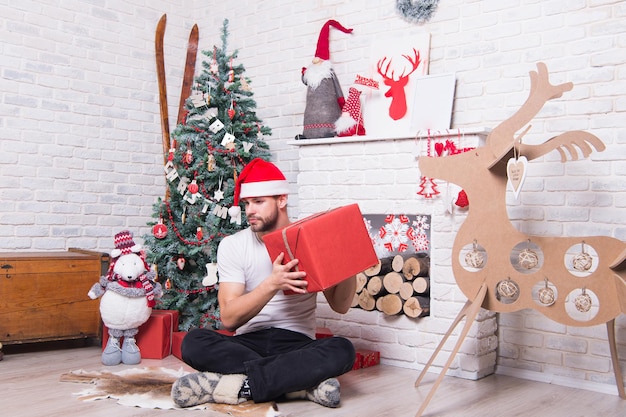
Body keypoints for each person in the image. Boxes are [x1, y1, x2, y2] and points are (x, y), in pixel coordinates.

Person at [171, 158, 356, 409]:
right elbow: (229, 318)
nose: (250, 211)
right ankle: (298, 384)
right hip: (248, 342)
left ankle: (237, 385)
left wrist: (349, 263)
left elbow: (341, 306)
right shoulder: (234, 245)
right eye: (247, 203)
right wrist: (272, 284)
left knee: (343, 349)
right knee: (194, 342)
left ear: (282, 200)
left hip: (296, 343)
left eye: (259, 202)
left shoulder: (309, 238)